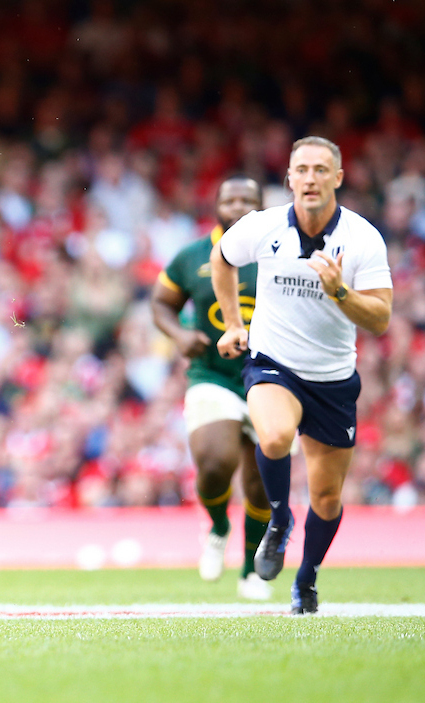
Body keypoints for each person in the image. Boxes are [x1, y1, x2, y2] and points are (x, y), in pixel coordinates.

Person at [210, 137, 393, 614]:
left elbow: (379, 318)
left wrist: (339, 292)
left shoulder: (362, 238)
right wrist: (234, 324)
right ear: (289, 178)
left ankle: (306, 581)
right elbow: (222, 259)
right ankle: (278, 519)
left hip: (333, 378)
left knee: (328, 496)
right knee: (273, 437)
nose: (309, 178)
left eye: (320, 169)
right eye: (301, 170)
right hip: (274, 362)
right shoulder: (264, 226)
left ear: (338, 177)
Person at [152, 175, 272, 600]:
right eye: (229, 198)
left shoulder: (281, 252)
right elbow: (162, 304)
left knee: (262, 481)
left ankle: (253, 566)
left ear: (260, 206)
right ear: (217, 204)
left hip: (271, 376)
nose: (237, 204)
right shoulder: (191, 256)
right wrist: (179, 336)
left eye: (247, 199)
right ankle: (218, 526)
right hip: (212, 372)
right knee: (216, 460)